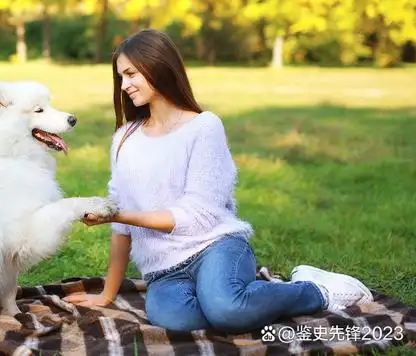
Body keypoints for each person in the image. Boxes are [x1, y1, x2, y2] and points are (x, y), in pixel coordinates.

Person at [62, 28, 374, 333]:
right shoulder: (124, 139)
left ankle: (316, 290)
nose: (125, 85)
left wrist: (117, 214)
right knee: (178, 321)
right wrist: (106, 294)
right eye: (121, 77)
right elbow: (120, 224)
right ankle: (244, 295)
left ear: (157, 65)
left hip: (214, 246)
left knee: (227, 309)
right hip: (163, 270)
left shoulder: (204, 127)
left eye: (131, 74)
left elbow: (197, 216)